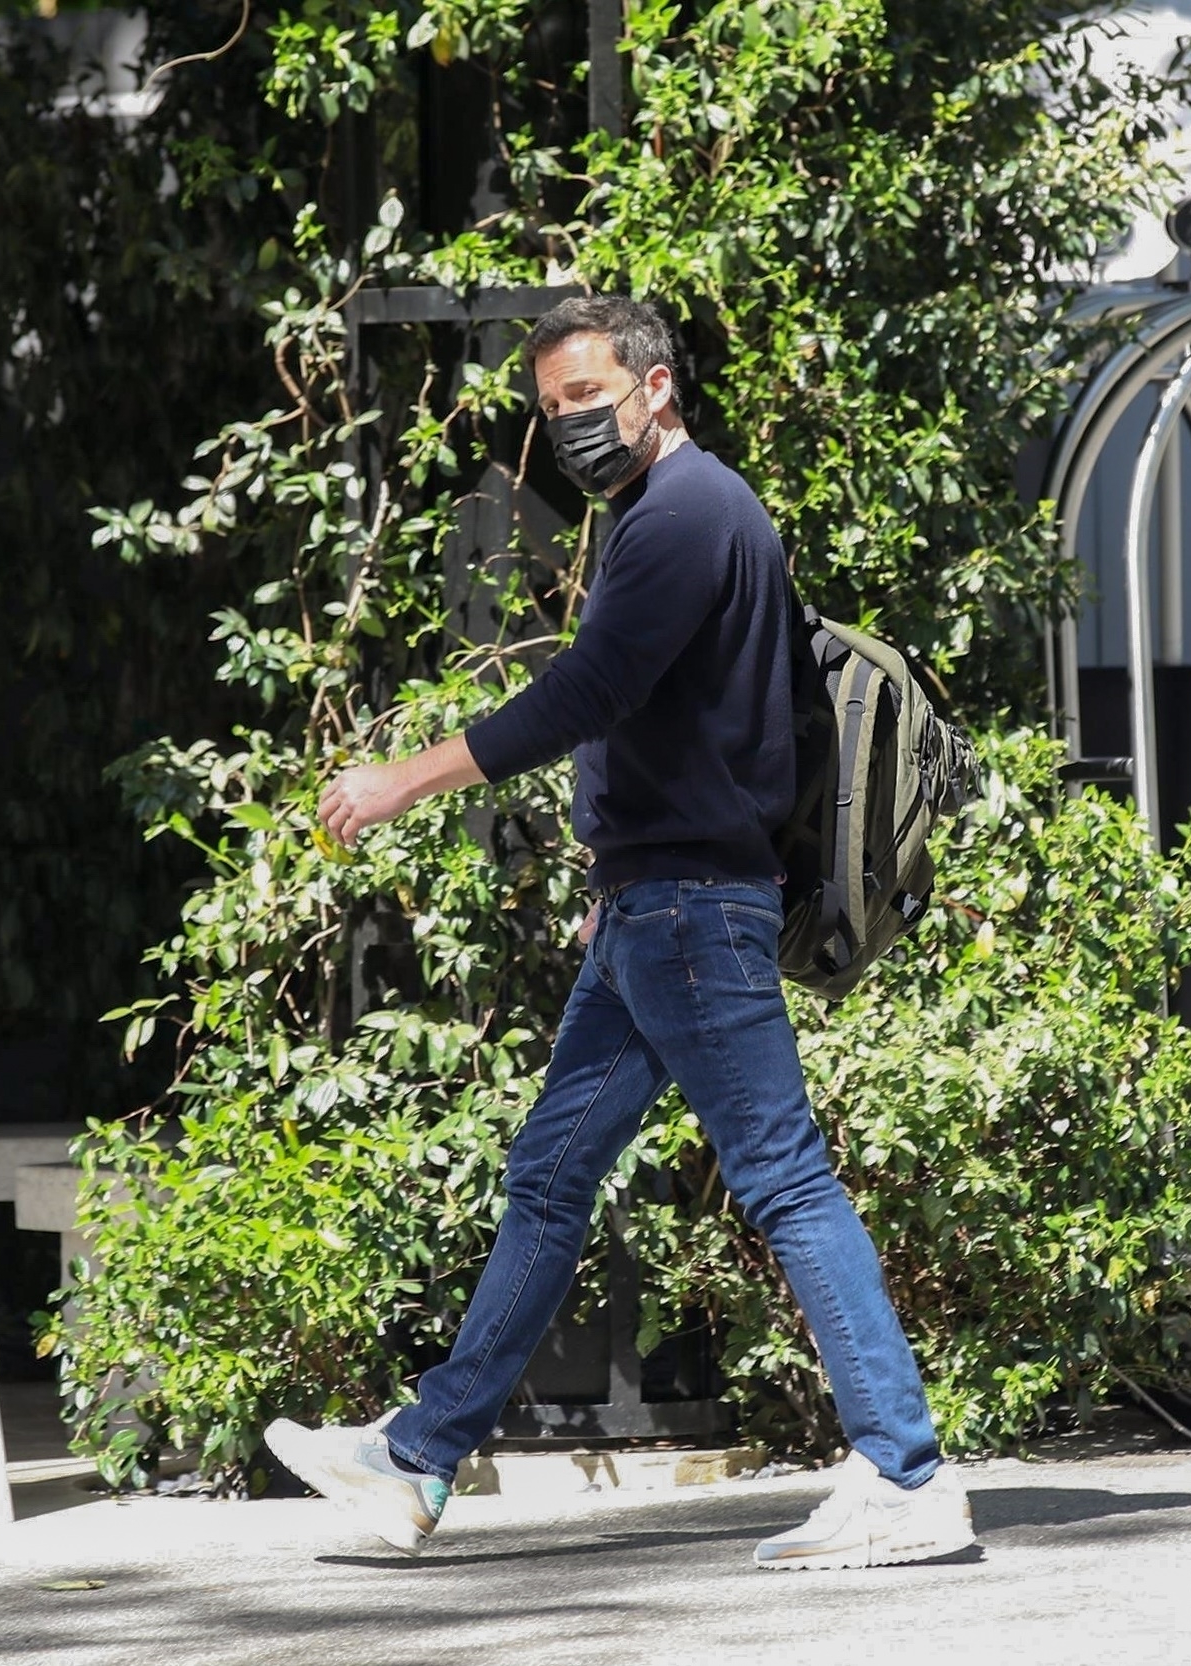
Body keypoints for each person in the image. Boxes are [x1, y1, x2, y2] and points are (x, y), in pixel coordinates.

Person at [265, 295, 973, 1571]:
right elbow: (672, 723)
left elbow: (590, 692)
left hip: (690, 913)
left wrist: (394, 782)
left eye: (588, 399)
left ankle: (907, 1475)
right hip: (655, 905)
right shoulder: (678, 516)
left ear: (654, 389)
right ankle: (418, 1462)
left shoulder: (688, 513)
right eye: (551, 412)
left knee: (784, 1177)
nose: (572, 426)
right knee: (548, 1176)